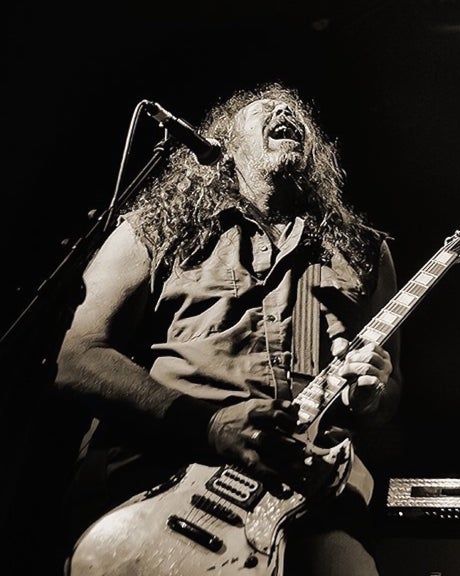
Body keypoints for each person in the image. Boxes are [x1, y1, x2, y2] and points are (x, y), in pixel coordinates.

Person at [56, 84, 400, 576]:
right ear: (226, 143)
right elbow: (77, 355)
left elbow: (390, 396)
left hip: (295, 497)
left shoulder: (363, 250)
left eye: (295, 112)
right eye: (264, 108)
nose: (284, 110)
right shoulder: (159, 225)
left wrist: (372, 395)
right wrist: (209, 426)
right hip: (160, 473)